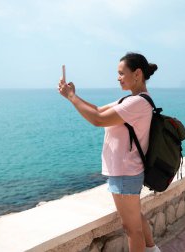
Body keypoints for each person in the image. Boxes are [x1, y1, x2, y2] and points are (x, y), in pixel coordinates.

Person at [57, 53, 161, 252]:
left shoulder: (136, 103)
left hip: (125, 173)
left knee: (132, 229)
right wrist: (73, 95)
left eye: (121, 73)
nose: (118, 77)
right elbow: (97, 110)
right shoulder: (132, 100)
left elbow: (98, 120)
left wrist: (71, 97)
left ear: (137, 74)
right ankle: (153, 250)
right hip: (127, 171)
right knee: (136, 219)